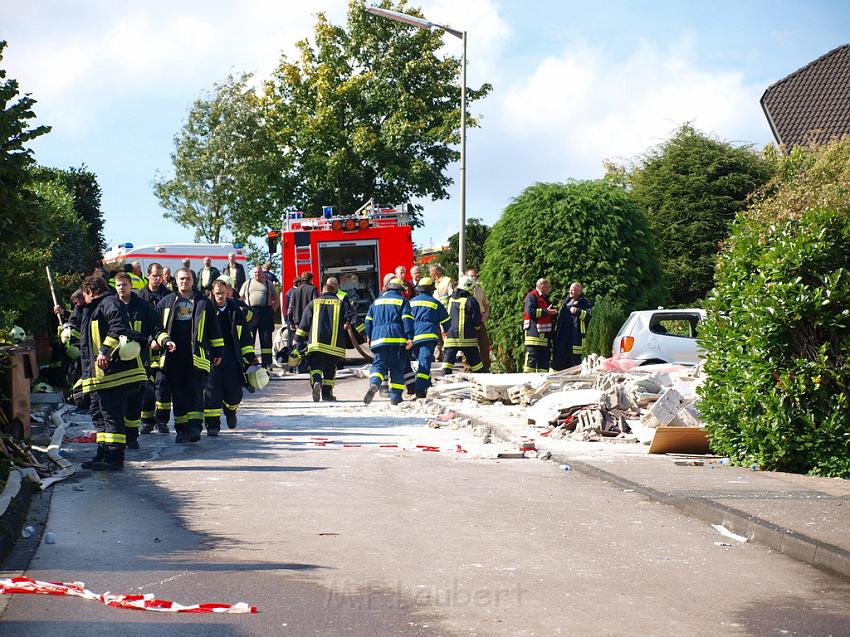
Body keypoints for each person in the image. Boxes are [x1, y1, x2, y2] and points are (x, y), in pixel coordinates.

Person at [77, 275, 148, 471]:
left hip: (114, 375)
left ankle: (115, 458)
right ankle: (103, 453)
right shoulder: (93, 309)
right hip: (100, 378)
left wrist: (105, 351)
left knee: (112, 416)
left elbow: (118, 326)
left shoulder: (109, 303)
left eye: (85, 294)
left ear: (90, 292)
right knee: (100, 416)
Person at [153, 268, 223, 443]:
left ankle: (194, 428)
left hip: (196, 356)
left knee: (195, 392)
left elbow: (213, 328)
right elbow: (156, 327)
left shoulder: (203, 303)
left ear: (193, 281)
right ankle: (181, 430)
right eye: (182, 279)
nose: (185, 281)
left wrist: (217, 351)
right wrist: (160, 341)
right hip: (173, 357)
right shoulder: (165, 303)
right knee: (177, 394)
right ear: (175, 281)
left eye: (188, 278)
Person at [204, 279, 259, 433]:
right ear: (212, 293)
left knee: (235, 392)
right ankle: (212, 425)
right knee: (212, 391)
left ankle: (230, 410)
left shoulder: (235, 308)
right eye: (217, 294)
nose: (220, 297)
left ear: (228, 291)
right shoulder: (206, 308)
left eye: (222, 293)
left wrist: (250, 356)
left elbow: (245, 336)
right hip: (212, 355)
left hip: (232, 354)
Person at [113, 272, 157, 450]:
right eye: (118, 285)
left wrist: (161, 340)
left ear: (131, 285)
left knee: (136, 399)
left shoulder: (143, 306)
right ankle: (120, 435)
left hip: (139, 360)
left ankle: (132, 436)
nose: (121, 288)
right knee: (118, 400)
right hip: (117, 361)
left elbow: (155, 326)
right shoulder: (111, 305)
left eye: (124, 284)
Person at [294, 281, 358, 401]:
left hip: (316, 345)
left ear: (322, 292)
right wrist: (364, 334)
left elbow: (304, 324)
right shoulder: (341, 304)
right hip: (334, 347)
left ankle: (317, 381)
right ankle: (327, 394)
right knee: (330, 369)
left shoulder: (314, 303)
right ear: (334, 291)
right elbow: (354, 318)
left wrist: (297, 339)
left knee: (315, 366)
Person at [363, 278, 414, 406]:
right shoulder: (402, 301)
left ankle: (374, 383)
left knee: (379, 365)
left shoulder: (375, 302)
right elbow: (407, 320)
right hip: (397, 340)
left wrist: (370, 337)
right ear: (399, 290)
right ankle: (395, 397)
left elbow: (368, 322)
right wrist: (409, 337)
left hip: (378, 339)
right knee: (397, 367)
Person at [407, 277, 450, 398]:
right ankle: (420, 389)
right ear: (431, 290)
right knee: (424, 364)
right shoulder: (435, 303)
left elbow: (405, 319)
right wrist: (447, 332)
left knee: (421, 362)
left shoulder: (411, 302)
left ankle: (427, 385)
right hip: (428, 337)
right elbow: (446, 321)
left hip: (414, 338)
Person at [441, 275, 484, 375]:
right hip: (468, 337)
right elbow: (476, 317)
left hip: (452, 336)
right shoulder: (471, 300)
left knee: (447, 362)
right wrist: (477, 327)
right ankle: (480, 379)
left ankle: (443, 379)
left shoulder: (451, 299)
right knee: (476, 363)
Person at [240, 266, 277, 368]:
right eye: (255, 273)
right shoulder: (247, 283)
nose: (257, 274)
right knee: (249, 338)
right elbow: (240, 297)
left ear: (263, 273)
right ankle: (250, 361)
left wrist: (272, 310)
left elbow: (276, 299)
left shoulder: (268, 284)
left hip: (265, 313)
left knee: (266, 338)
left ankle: (267, 363)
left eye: (259, 272)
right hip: (251, 313)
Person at [552, 281, 593, 371]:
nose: (570, 292)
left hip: (576, 336)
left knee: (574, 360)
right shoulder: (565, 302)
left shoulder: (584, 303)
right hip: (563, 337)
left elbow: (590, 317)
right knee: (560, 359)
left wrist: (578, 311)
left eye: (573, 290)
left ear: (579, 291)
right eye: (570, 290)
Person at [523, 278, 558, 372]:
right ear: (542, 286)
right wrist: (547, 311)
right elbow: (530, 312)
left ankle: (542, 381)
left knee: (544, 360)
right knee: (532, 358)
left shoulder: (545, 298)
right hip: (533, 334)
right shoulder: (531, 296)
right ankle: (527, 380)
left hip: (544, 335)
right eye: (547, 287)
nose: (549, 288)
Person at [287, 272, 318, 372]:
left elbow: (290, 309)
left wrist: (291, 322)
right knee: (310, 344)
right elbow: (316, 305)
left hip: (298, 324)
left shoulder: (294, 292)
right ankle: (309, 366)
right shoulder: (313, 289)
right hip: (310, 322)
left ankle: (297, 368)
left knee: (298, 345)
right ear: (310, 280)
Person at [466, 269, 492, 372]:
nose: (472, 279)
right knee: (468, 346)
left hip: (479, 319)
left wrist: (486, 314)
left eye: (474, 276)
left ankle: (485, 368)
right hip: (468, 321)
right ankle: (467, 368)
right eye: (470, 276)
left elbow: (486, 304)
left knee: (484, 345)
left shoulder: (480, 290)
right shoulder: (463, 291)